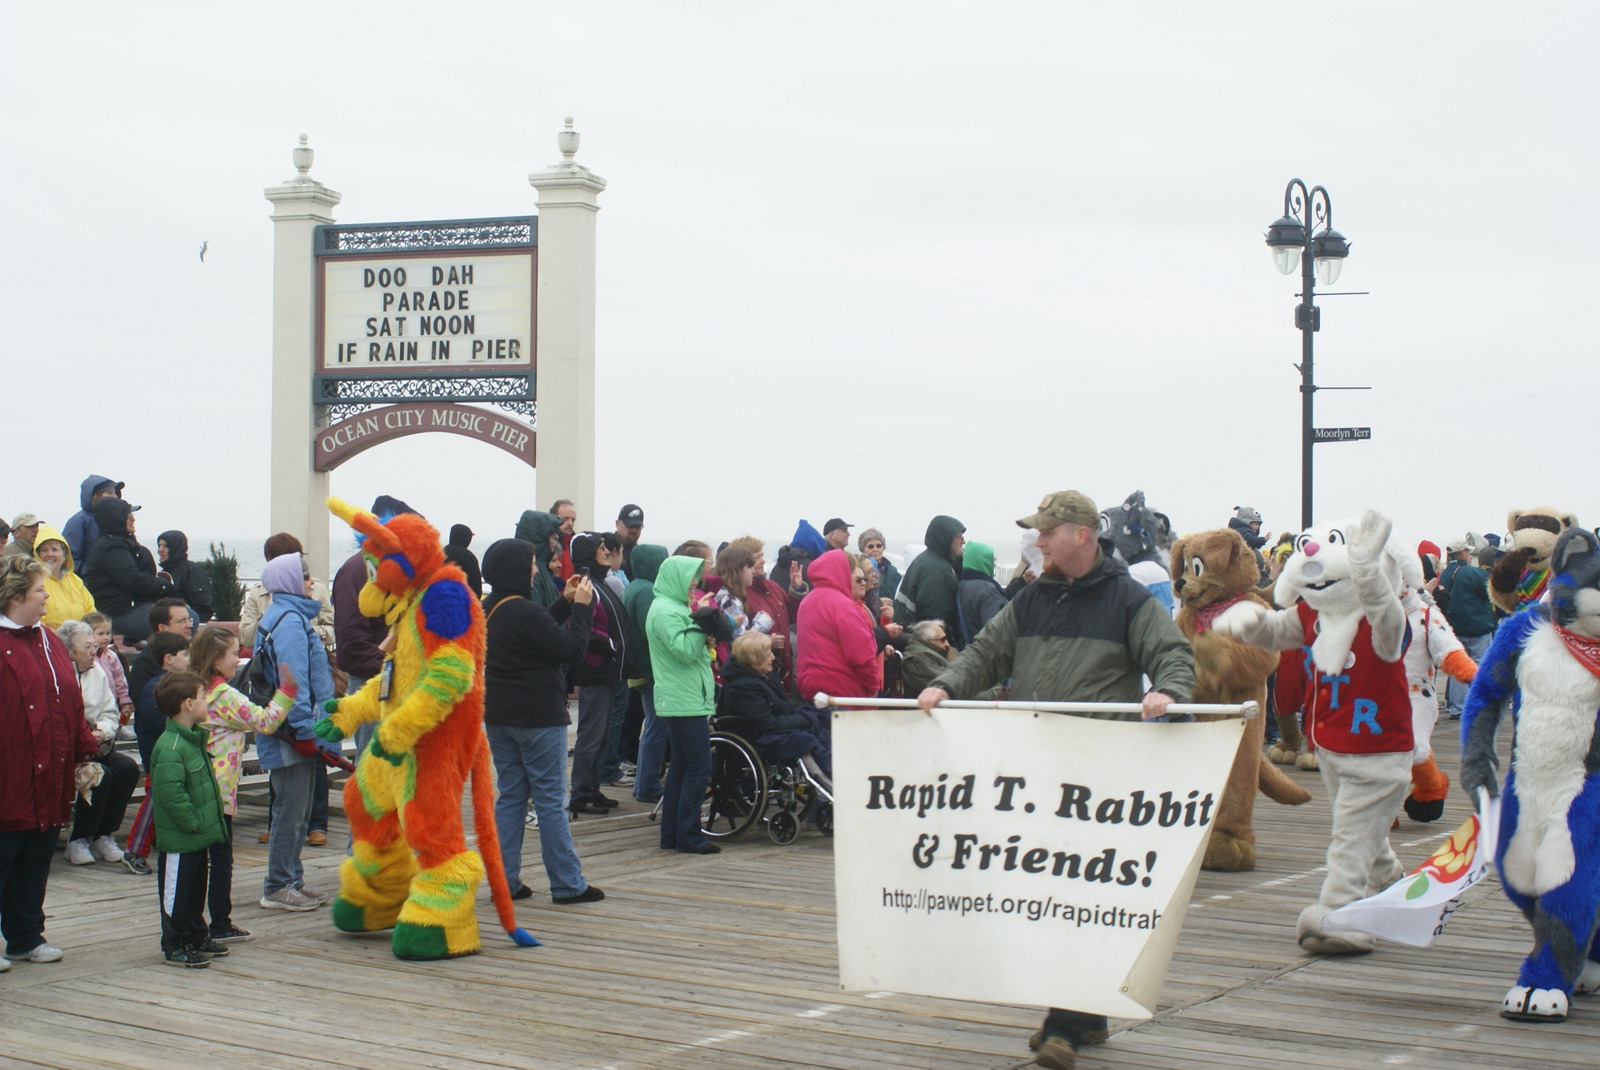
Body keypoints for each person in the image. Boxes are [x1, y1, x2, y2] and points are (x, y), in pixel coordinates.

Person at [916, 490, 1195, 1070]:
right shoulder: (1032, 597)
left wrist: (1169, 691)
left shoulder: (1127, 598)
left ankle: (1063, 1024)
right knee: (1049, 894)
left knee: (1077, 894)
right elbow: (987, 654)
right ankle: (1088, 1011)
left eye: (1048, 532)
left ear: (1082, 535)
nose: (1038, 542)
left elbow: (1172, 653)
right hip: (1037, 771)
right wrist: (945, 684)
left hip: (1099, 778)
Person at [481, 537, 606, 904]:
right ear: (517, 570)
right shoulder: (526, 611)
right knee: (551, 800)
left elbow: (537, 634)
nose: (536, 569)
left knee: (511, 797)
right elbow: (571, 650)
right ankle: (567, 883)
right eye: (532, 564)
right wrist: (582, 609)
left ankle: (504, 881)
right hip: (538, 716)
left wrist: (563, 603)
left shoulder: (489, 608)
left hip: (499, 716)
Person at [0, 557, 97, 968]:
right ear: (16, 596)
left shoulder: (49, 639)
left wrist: (83, 747)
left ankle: (25, 936)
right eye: (40, 590)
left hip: (49, 770)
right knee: (4, 852)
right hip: (9, 770)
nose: (46, 596)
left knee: (36, 855)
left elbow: (70, 700)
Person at [189, 624, 293, 941]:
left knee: (197, 860)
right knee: (221, 860)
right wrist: (287, 692)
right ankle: (220, 923)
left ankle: (194, 921)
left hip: (196, 785)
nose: (239, 659)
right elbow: (265, 721)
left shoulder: (194, 689)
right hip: (219, 790)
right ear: (215, 659)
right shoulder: (225, 695)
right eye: (234, 654)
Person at [254, 552, 336, 911]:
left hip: (292, 728)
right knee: (290, 810)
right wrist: (304, 730)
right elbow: (294, 681)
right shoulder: (289, 621)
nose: (310, 581)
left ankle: (291, 878)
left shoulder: (285, 614)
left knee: (297, 810)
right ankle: (278, 884)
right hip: (290, 733)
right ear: (289, 581)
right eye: (304, 576)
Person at [148, 669, 231, 968]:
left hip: (196, 837)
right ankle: (175, 943)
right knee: (177, 893)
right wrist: (193, 821)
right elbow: (170, 793)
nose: (207, 701)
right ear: (188, 704)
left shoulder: (191, 740)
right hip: (181, 838)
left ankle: (196, 935)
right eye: (203, 697)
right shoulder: (171, 746)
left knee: (195, 890)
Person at [646, 554, 723, 855]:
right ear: (676, 578)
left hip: (683, 696)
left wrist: (701, 632)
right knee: (699, 766)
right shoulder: (666, 611)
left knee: (681, 766)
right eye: (690, 576)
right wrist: (702, 625)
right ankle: (689, 836)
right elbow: (684, 652)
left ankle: (672, 834)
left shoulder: (673, 607)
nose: (694, 582)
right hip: (683, 698)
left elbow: (690, 648)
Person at [58, 619, 141, 868]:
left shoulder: (98, 671)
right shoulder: (58, 674)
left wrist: (103, 732)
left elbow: (110, 712)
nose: (94, 651)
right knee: (99, 774)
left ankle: (103, 834)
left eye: (94, 646)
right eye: (87, 647)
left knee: (127, 768)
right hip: (67, 751)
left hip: (96, 743)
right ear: (69, 651)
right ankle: (79, 839)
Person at [567, 532, 633, 814]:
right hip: (596, 669)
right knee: (591, 734)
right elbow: (582, 627)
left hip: (607, 669)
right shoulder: (587, 586)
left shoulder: (598, 582)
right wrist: (612, 646)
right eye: (601, 547)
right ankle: (581, 794)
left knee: (602, 734)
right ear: (587, 553)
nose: (606, 551)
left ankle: (592, 788)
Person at [720, 631, 832, 781]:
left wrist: (808, 715)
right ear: (755, 660)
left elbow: (783, 707)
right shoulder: (741, 687)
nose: (772, 657)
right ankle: (828, 783)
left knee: (822, 721)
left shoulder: (763, 674)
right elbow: (769, 724)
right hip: (758, 738)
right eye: (768, 654)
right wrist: (804, 718)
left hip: (773, 727)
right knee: (806, 739)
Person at [82, 496, 175, 643]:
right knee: (173, 622)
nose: (133, 519)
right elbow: (134, 581)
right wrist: (164, 585)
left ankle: (141, 643)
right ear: (116, 520)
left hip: (134, 607)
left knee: (185, 617)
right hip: (118, 613)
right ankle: (154, 654)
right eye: (128, 515)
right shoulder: (111, 549)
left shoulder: (126, 543)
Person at [796, 550, 881, 703]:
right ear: (842, 572)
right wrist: (873, 688)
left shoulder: (807, 601)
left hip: (811, 689)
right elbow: (862, 656)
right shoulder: (844, 607)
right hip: (844, 693)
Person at [622, 544, 670, 804]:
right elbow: (651, 631)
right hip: (650, 669)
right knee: (656, 728)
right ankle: (647, 785)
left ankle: (643, 781)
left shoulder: (633, 586)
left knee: (651, 726)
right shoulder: (648, 592)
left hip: (639, 668)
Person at [238, 533, 335, 652]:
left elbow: (333, 629)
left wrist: (306, 631)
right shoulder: (258, 593)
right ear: (271, 562)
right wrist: (270, 617)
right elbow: (245, 638)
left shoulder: (316, 589)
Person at [1439, 535, 1495, 720]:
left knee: (1458, 667)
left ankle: (1458, 707)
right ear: (1462, 553)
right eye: (1468, 553)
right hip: (1477, 628)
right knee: (1480, 665)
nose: (1470, 556)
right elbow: (1490, 590)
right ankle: (1479, 704)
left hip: (1453, 628)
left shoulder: (1444, 574)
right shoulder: (1472, 573)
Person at [728, 536, 795, 692]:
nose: (763, 561)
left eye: (762, 556)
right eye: (757, 557)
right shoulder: (738, 596)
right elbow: (738, 640)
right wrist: (768, 641)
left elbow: (792, 616)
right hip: (758, 672)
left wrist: (796, 590)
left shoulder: (772, 586)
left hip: (781, 667)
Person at [895, 515, 967, 645]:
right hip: (926, 647)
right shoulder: (936, 571)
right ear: (945, 539)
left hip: (910, 641)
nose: (963, 541)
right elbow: (936, 620)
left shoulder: (926, 561)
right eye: (959, 537)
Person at [34, 523, 95, 628]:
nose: (49, 554)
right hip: (49, 637)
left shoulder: (76, 581)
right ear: (37, 555)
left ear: (65, 555)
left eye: (54, 549)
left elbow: (91, 612)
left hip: (81, 636)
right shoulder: (34, 582)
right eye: (44, 550)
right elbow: (34, 619)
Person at [83, 611, 134, 729]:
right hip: (92, 697)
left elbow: (120, 679)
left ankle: (118, 727)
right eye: (100, 634)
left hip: (111, 696)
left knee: (112, 713)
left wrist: (124, 699)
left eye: (108, 633)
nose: (106, 637)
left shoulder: (112, 656)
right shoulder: (86, 657)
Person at [62, 474, 124, 570]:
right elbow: (69, 559)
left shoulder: (114, 521)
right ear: (95, 497)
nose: (115, 496)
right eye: (110, 493)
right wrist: (92, 575)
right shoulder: (79, 521)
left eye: (115, 493)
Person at [956, 541, 1011, 645]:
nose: (994, 564)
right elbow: (997, 634)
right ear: (984, 561)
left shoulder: (964, 585)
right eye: (992, 560)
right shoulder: (988, 590)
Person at [156, 530, 214, 622]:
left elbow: (204, 608)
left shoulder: (193, 571)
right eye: (159, 545)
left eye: (165, 546)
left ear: (176, 548)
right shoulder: (164, 573)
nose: (160, 550)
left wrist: (185, 623)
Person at [514, 508, 565, 606]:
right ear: (539, 536)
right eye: (552, 533)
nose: (557, 536)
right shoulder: (531, 572)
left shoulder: (542, 566)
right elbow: (536, 611)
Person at [901, 619, 953, 695]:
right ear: (928, 640)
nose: (947, 644)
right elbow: (946, 683)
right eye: (942, 640)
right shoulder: (919, 658)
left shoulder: (924, 655)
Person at [858, 528, 901, 602]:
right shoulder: (858, 571)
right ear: (862, 549)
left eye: (879, 546)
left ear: (883, 547)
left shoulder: (892, 571)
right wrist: (878, 602)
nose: (875, 549)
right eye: (870, 546)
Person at [443, 523, 482, 598]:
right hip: (460, 601)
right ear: (467, 539)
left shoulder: (440, 553)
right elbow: (475, 587)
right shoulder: (469, 558)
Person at [615, 503, 645, 581]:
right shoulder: (608, 551)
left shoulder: (640, 554)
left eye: (638, 527)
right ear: (617, 524)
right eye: (630, 526)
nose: (634, 530)